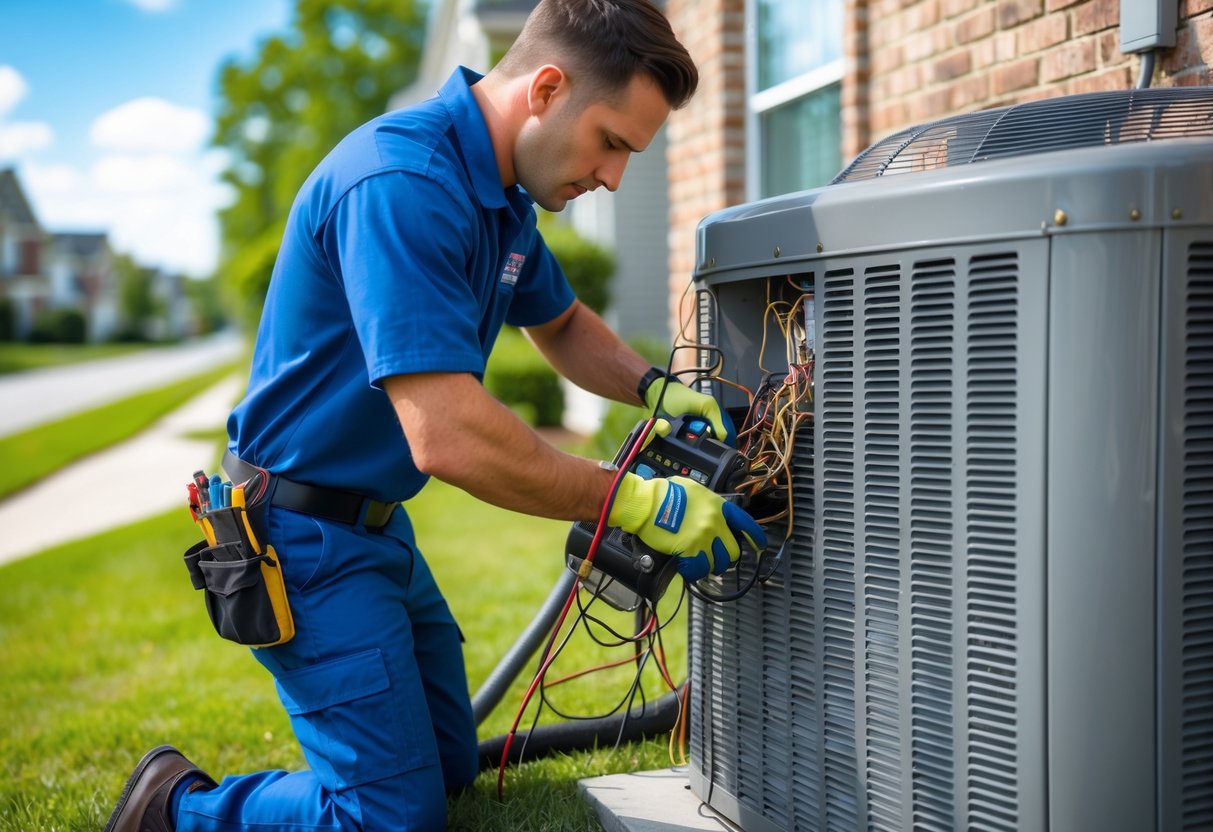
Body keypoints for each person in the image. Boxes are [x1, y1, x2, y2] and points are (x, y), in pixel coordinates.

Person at [104, 1, 765, 830]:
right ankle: (175, 807)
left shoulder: (500, 193)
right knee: (391, 818)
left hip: (377, 531)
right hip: (300, 540)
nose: (613, 176)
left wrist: (654, 387)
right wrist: (634, 499)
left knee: (449, 772)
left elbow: (556, 319)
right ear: (548, 88)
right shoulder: (404, 184)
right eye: (612, 142)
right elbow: (444, 431)